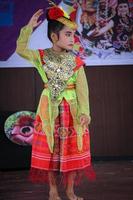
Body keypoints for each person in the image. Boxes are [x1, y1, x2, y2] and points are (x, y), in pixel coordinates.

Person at [16, 4, 95, 200]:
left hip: (72, 111)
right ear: (54, 37)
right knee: (50, 152)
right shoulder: (41, 57)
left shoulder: (76, 62)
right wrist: (28, 28)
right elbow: (21, 48)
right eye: (67, 34)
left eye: (73, 35)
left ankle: (70, 191)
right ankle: (52, 191)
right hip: (49, 110)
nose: (72, 39)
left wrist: (85, 112)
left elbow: (82, 90)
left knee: (71, 150)